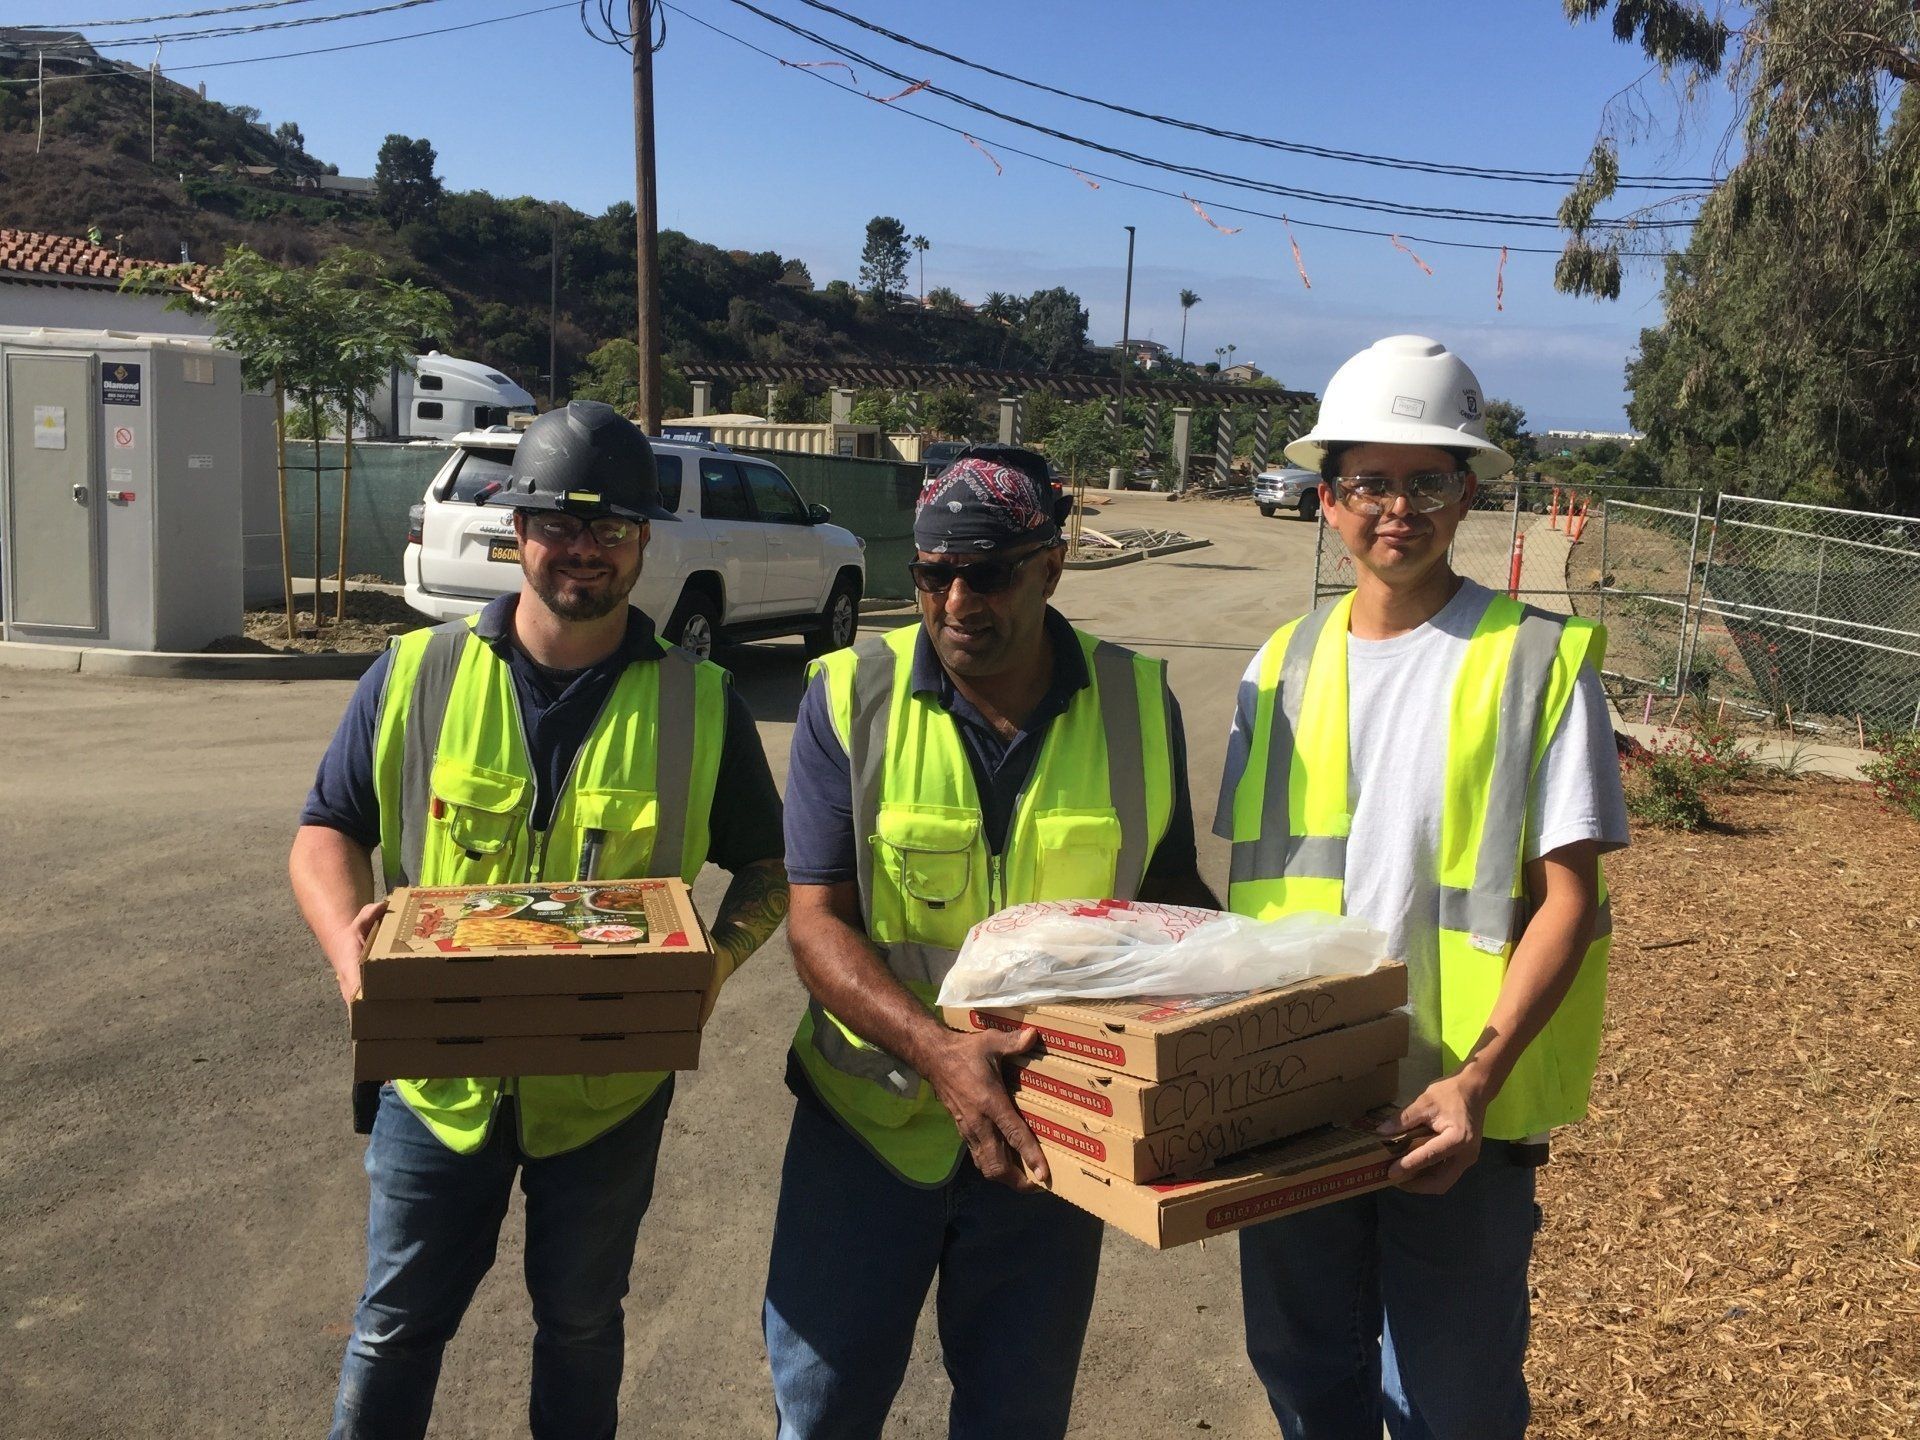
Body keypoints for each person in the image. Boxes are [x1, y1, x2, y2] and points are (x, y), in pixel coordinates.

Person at [289, 400, 789, 1440]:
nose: (585, 549)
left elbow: (774, 869)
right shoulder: (418, 674)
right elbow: (326, 831)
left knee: (579, 1325)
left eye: (611, 528)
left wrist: (716, 962)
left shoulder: (702, 704)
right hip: (436, 1089)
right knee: (394, 1327)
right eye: (559, 523)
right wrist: (353, 959)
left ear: (644, 540)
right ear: (517, 529)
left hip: (605, 1095)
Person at [1216, 336, 1629, 1439]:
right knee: (1305, 1380)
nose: (1397, 509)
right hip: (1298, 1107)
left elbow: (1569, 903)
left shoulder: (1536, 662)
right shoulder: (1277, 665)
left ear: (1468, 496)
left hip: (1455, 1119)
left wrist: (1480, 1082)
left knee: (1452, 1408)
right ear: (1325, 499)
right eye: (1370, 483)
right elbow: (1247, 904)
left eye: (1428, 482)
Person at [766, 446, 1218, 1439]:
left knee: (1016, 1419)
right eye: (935, 575)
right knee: (826, 1410)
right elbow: (817, 918)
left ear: (1053, 566)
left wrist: (1252, 1006)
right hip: (870, 1131)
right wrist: (937, 1053)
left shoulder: (1137, 702)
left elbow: (1172, 895)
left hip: (1052, 1145)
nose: (959, 601)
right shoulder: (850, 697)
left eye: (991, 572)